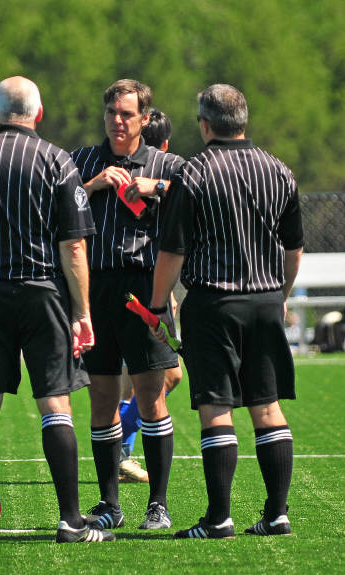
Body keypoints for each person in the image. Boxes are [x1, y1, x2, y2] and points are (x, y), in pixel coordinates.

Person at [0, 76, 115, 544]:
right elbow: (73, 247)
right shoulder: (57, 160)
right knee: (55, 405)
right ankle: (71, 521)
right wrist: (83, 312)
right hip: (42, 295)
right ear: (39, 114)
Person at [150, 84, 304, 539]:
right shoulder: (279, 170)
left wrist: (158, 307)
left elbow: (173, 251)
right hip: (266, 300)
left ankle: (219, 518)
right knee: (268, 407)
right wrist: (280, 295)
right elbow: (293, 248)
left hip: (214, 305)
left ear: (204, 124)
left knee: (216, 408)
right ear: (243, 120)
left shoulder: (194, 173)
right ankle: (277, 514)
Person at [71, 79, 184, 530]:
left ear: (144, 119)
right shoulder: (82, 160)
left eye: (127, 114)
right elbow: (53, 208)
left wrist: (156, 187)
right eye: (111, 113)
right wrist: (92, 185)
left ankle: (158, 505)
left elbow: (196, 201)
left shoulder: (166, 164)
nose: (117, 121)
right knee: (102, 398)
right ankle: (109, 505)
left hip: (145, 290)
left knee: (152, 397)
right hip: (94, 289)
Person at [118, 108, 183, 483]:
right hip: (146, 290)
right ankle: (119, 444)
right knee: (168, 376)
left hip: (134, 288)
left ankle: (120, 451)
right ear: (166, 145)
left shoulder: (132, 177)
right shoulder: (156, 183)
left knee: (136, 381)